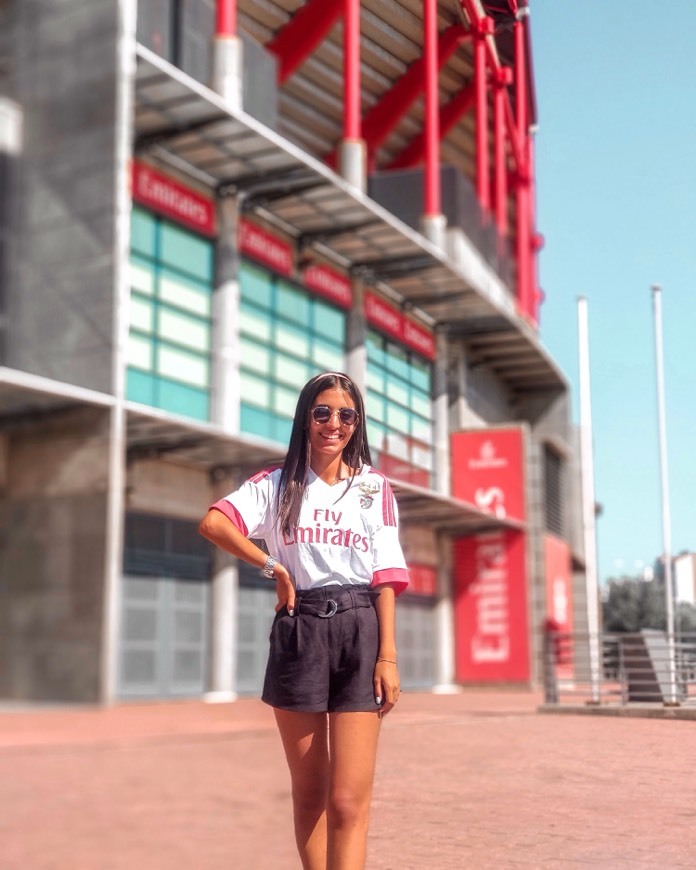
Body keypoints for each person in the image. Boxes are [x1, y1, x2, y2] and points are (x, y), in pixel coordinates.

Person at [199, 371, 409, 870]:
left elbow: (385, 578)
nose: (333, 424)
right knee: (311, 794)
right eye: (322, 412)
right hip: (301, 630)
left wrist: (388, 656)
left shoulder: (373, 489)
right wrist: (271, 566)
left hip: (361, 629)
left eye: (346, 415)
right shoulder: (276, 485)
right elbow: (214, 522)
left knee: (347, 801)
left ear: (357, 425)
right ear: (305, 419)